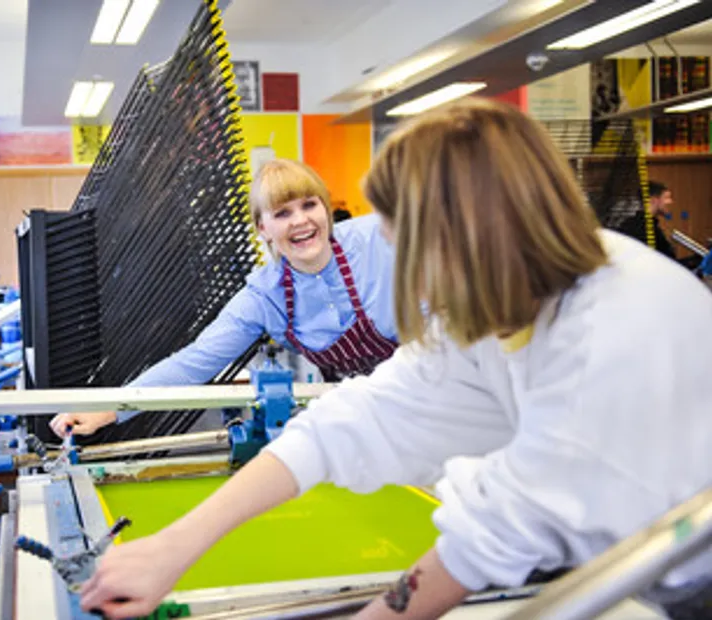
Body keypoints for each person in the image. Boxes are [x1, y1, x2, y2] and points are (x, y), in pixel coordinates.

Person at [77, 98, 712, 619]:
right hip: (619, 561)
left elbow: (491, 538)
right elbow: (361, 415)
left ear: (475, 220)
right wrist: (175, 545)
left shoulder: (614, 327)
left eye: (400, 222)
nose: (385, 238)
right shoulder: (485, 305)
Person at [50, 159, 397, 439]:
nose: (301, 221)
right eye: (282, 213)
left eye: (309, 205)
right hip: (361, 418)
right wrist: (108, 407)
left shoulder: (380, 240)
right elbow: (194, 361)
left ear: (325, 209)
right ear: (263, 228)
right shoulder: (265, 296)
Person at [618, 180, 675, 258]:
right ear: (654, 200)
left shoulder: (633, 225)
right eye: (666, 198)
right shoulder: (642, 229)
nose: (670, 202)